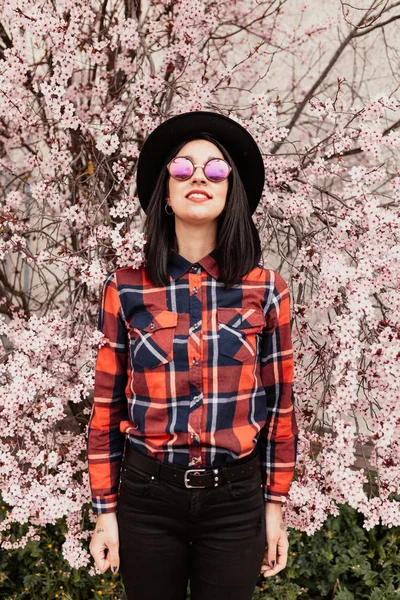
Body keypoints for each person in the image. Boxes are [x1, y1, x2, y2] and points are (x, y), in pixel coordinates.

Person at [87, 110, 299, 600]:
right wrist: (106, 513)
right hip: (147, 497)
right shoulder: (126, 289)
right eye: (182, 168)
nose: (199, 176)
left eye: (216, 168)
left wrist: (274, 508)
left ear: (231, 192)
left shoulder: (266, 290)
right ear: (165, 192)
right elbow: (106, 406)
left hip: (235, 501)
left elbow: (281, 407)